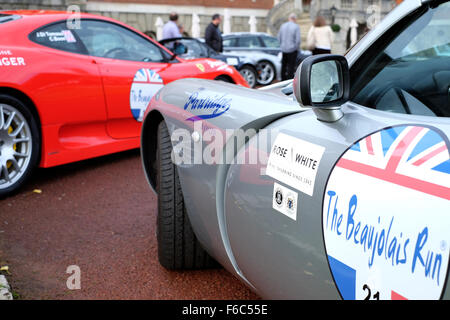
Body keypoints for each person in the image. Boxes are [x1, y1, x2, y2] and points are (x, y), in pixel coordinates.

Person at [277, 13, 301, 81]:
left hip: (284, 49)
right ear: (295, 19)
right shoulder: (296, 26)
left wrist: (282, 45)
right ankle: (289, 80)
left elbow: (279, 37)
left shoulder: (282, 26)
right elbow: (298, 40)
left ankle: (282, 80)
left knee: (283, 65)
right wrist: (296, 47)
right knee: (291, 66)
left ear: (289, 18)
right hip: (292, 49)